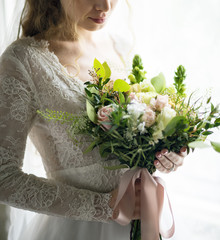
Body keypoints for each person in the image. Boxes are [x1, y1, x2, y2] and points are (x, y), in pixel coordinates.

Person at [0, 0, 187, 240]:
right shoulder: (23, 61)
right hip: (77, 231)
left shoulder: (123, 46)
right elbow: (4, 178)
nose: (105, 6)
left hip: (147, 222)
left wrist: (167, 152)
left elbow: (141, 134)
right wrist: (105, 207)